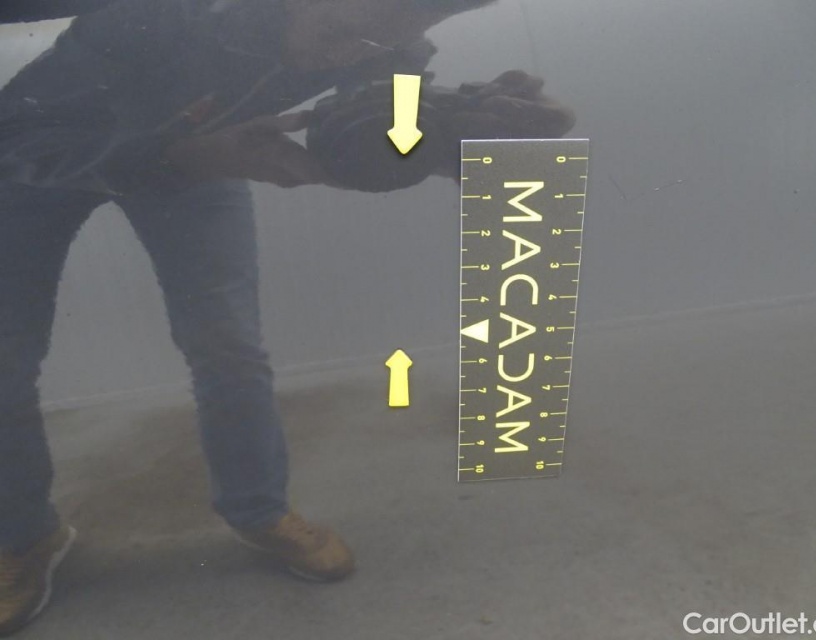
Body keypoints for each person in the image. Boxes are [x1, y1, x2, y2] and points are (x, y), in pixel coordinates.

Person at [0, 0, 574, 634]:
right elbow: (18, 136)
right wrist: (186, 158)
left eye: (373, 47)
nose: (343, 56)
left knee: (229, 345)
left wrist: (449, 146)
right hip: (30, 168)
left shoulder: (389, 47)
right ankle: (24, 538)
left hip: (196, 162)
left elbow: (384, 121)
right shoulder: (155, 15)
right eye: (338, 31)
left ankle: (258, 511)